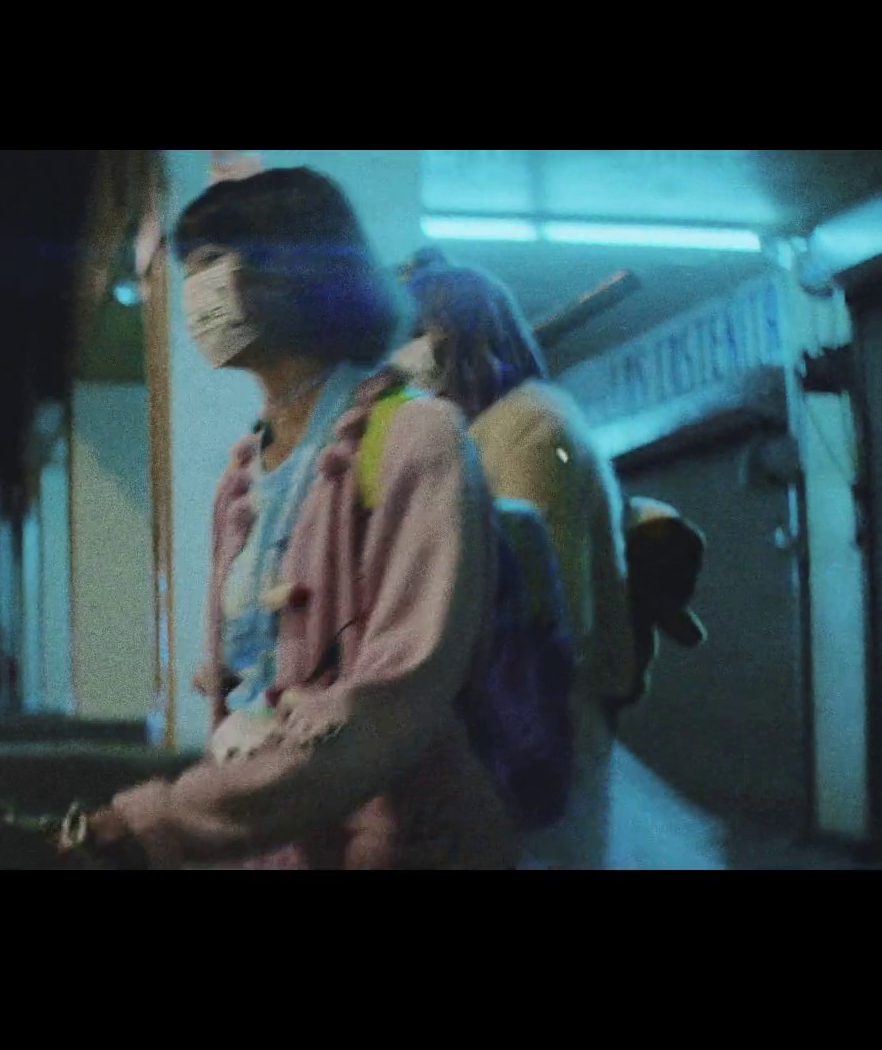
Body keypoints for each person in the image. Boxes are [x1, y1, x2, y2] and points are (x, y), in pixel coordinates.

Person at [60, 168, 513, 870]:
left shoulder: (416, 439)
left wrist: (165, 820)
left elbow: (396, 695)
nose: (195, 292)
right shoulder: (244, 475)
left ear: (296, 270)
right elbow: (249, 692)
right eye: (189, 268)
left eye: (214, 261)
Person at [395, 251, 722, 870]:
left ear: (475, 338)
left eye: (417, 334)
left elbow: (544, 605)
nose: (403, 357)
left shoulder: (532, 429)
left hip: (530, 726)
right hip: (502, 725)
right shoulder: (480, 431)